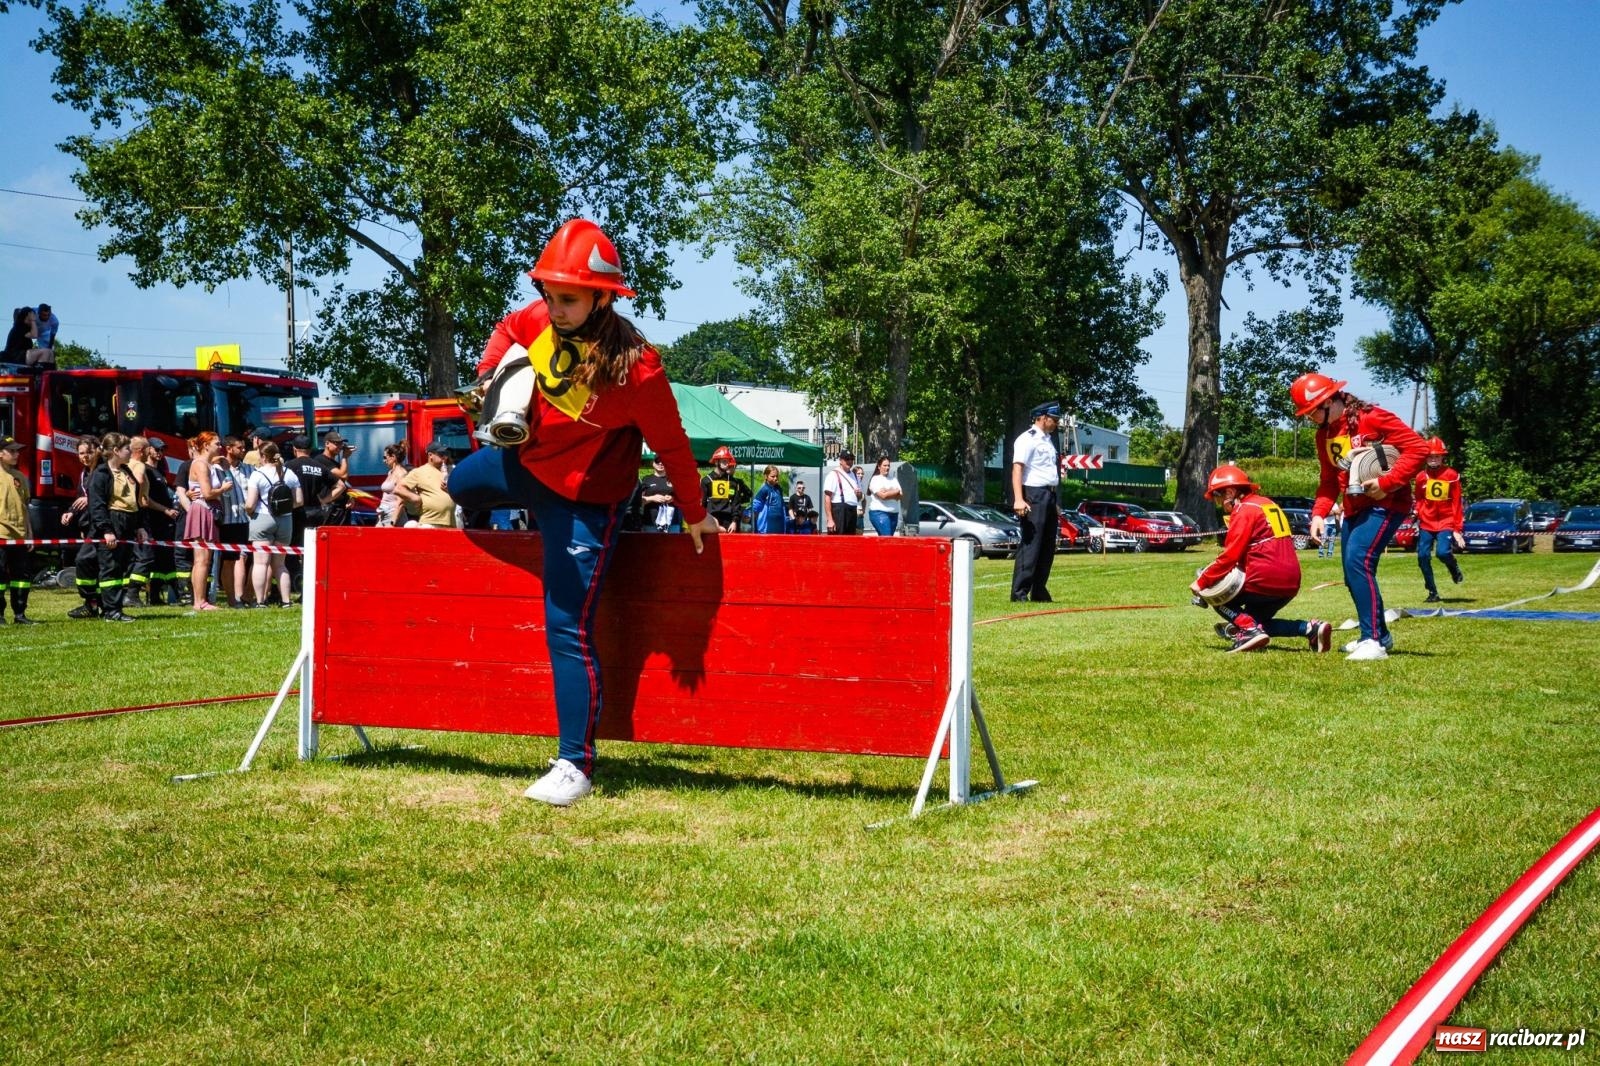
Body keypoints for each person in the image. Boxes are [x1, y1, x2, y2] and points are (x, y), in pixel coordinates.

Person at [447, 217, 717, 806]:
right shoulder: (539, 317)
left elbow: (673, 446)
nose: (554, 308)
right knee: (458, 487)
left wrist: (695, 511)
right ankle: (538, 546)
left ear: (602, 297)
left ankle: (575, 765)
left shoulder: (639, 368)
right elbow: (507, 326)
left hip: (584, 502)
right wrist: (489, 376)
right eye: (549, 294)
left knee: (565, 627)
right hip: (522, 465)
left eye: (567, 299)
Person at [1292, 372, 1429, 660]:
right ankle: (1380, 635)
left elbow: (1418, 448)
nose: (1310, 418)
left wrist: (1386, 483)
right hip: (1353, 508)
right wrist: (1318, 514)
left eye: (1311, 411)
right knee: (1352, 571)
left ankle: (1372, 641)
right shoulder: (1323, 435)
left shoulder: (1373, 417)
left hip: (1387, 503)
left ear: (1328, 401)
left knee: (1358, 561)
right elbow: (1329, 481)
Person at [1191, 464, 1331, 654]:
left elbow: (1230, 555)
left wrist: (1202, 582)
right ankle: (1310, 629)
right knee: (1258, 623)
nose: (1220, 504)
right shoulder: (1267, 503)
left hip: (1264, 578)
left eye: (1218, 497)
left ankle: (1247, 630)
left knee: (1216, 596)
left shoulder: (1244, 510)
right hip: (1291, 581)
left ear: (1230, 492)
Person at [86, 433, 146, 622]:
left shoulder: (126, 471)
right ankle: (111, 611)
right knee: (110, 568)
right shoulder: (101, 474)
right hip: (113, 522)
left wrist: (140, 526)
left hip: (128, 523)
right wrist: (107, 530)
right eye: (127, 448)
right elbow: (97, 505)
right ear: (116, 451)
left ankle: (115, 607)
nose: (130, 451)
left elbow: (135, 501)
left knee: (122, 568)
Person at [1010, 401, 1062, 603]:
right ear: (1043, 417)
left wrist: (1053, 501)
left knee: (1047, 546)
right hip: (1033, 494)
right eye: (1054, 419)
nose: (1056, 423)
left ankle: (1039, 590)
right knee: (1031, 545)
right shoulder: (1027, 439)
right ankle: (1019, 592)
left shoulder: (1048, 440)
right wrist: (1019, 499)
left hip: (1048, 495)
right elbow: (1018, 469)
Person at [243, 442, 301, 608]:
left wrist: (248, 512)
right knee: (280, 564)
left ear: (262, 456)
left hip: (262, 518)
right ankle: (286, 601)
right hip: (285, 520)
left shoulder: (257, 475)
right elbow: (299, 501)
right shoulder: (289, 473)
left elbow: (250, 504)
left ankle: (260, 601)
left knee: (261, 563)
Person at [1413, 436, 1465, 603]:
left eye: (1436, 456)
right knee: (1422, 556)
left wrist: (1457, 529)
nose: (1433, 460)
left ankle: (1453, 567)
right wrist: (1417, 511)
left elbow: (1457, 503)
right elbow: (1419, 498)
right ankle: (1432, 591)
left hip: (1445, 521)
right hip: (1427, 522)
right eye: (1430, 457)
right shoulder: (1421, 477)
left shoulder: (1451, 475)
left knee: (1442, 552)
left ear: (1442, 457)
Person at [183, 431, 228, 611]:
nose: (220, 446)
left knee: (202, 559)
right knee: (202, 559)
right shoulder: (201, 465)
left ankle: (199, 600)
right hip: (203, 509)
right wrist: (223, 488)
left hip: (205, 509)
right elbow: (208, 493)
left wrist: (217, 461)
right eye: (217, 444)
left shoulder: (205, 463)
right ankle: (200, 601)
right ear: (206, 445)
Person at [0, 438, 38, 625]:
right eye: (12, 451)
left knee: (21, 578)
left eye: (18, 451)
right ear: (1, 453)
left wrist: (29, 533)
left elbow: (24, 507)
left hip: (20, 535)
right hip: (1, 535)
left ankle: (20, 614)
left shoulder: (19, 476)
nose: (17, 454)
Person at [64, 437, 102, 618]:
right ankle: (92, 604)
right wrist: (70, 512)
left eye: (89, 452)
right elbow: (81, 498)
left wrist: (90, 499)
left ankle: (99, 604)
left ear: (98, 451)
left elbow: (109, 496)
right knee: (91, 565)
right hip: (88, 526)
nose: (85, 456)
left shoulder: (103, 471)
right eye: (81, 453)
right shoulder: (84, 474)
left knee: (84, 560)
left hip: (102, 526)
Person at [215, 436, 251, 607]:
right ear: (228, 448)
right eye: (240, 448)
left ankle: (242, 596)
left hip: (245, 520)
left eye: (244, 447)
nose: (243, 450)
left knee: (245, 558)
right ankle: (231, 598)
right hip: (227, 520)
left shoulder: (249, 469)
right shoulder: (217, 469)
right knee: (229, 560)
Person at [394, 440, 456, 528]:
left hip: (451, 523)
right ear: (430, 455)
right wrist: (415, 498)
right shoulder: (419, 472)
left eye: (446, 454)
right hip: (430, 523)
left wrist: (449, 490)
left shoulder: (450, 471)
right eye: (441, 454)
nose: (445, 456)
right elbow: (398, 489)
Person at [701, 445, 749, 532]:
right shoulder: (706, 481)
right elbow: (702, 504)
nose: (727, 464)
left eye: (728, 461)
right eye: (724, 461)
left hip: (728, 522)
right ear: (716, 462)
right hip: (711, 520)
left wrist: (734, 521)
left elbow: (736, 503)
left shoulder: (733, 482)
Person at [635, 455, 680, 533]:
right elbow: (638, 501)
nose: (660, 463)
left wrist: (673, 499)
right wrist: (652, 498)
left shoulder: (674, 479)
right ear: (653, 463)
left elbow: (684, 499)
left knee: (673, 541)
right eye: (657, 461)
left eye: (663, 461)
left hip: (672, 522)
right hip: (650, 522)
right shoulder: (646, 479)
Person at [823, 449, 861, 535]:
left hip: (852, 510)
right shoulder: (833, 474)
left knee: (850, 540)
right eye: (847, 459)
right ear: (840, 460)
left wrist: (858, 494)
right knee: (838, 539)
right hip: (839, 510)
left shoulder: (855, 475)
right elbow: (827, 498)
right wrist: (830, 519)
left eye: (851, 459)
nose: (850, 461)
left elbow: (859, 497)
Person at [865, 456, 902, 537]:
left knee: (887, 539)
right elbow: (883, 496)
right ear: (879, 466)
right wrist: (895, 491)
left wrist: (888, 492)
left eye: (888, 465)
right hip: (879, 513)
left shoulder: (893, 479)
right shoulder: (875, 479)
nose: (887, 468)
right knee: (887, 537)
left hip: (894, 513)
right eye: (884, 465)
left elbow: (900, 495)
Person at [376, 442, 409, 526]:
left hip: (393, 515)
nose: (383, 461)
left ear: (393, 457)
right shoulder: (390, 472)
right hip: (383, 514)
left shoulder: (401, 474)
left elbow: (401, 501)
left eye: (385, 457)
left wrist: (392, 523)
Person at [749, 465, 787, 534]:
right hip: (767, 529)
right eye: (773, 476)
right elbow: (754, 507)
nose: (775, 478)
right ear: (766, 476)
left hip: (780, 527)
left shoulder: (779, 489)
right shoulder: (764, 489)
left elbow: (782, 506)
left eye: (777, 476)